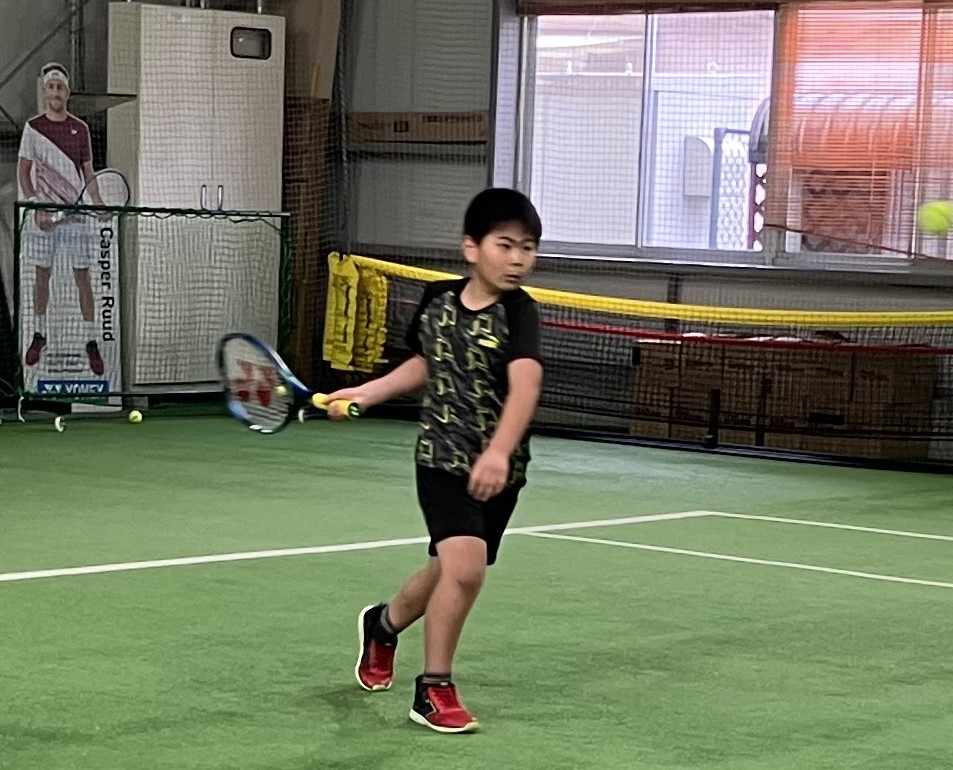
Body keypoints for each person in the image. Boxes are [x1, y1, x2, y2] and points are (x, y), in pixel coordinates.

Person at [327, 187, 545, 734]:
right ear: (471, 247)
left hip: (500, 471)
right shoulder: (436, 301)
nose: (517, 258)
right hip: (441, 460)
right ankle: (434, 689)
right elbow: (424, 364)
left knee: (445, 572)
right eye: (505, 245)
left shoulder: (520, 314)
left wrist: (498, 453)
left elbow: (525, 386)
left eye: (527, 248)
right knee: (465, 572)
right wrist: (366, 393)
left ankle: (382, 626)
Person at [17, 62, 105, 376]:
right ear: (45, 92)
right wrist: (36, 206)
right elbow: (24, 171)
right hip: (45, 218)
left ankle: (91, 341)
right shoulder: (32, 128)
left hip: (76, 217)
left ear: (67, 93)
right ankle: (39, 334)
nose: (55, 93)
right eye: (51, 87)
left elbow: (88, 171)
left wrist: (98, 202)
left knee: (83, 278)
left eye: (60, 88)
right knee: (42, 275)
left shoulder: (81, 129)